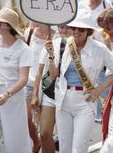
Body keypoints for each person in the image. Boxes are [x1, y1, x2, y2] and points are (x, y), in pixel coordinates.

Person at [44, 9, 113, 153]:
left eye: (80, 28)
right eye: (73, 28)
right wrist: (50, 56)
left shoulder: (99, 48)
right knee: (64, 147)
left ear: (88, 30)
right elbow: (54, 74)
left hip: (86, 101)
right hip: (63, 98)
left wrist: (100, 89)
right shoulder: (61, 44)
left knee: (79, 148)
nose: (76, 31)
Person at [0, 7, 32, 153]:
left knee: (15, 141)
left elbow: (23, 79)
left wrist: (7, 94)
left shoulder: (23, 49)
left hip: (12, 97)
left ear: (7, 26)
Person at [31, 25, 71, 153]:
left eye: (68, 28)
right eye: (62, 27)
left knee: (66, 138)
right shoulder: (51, 43)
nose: (64, 30)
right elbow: (40, 71)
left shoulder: (80, 47)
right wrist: (35, 94)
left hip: (68, 95)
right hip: (49, 93)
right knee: (44, 134)